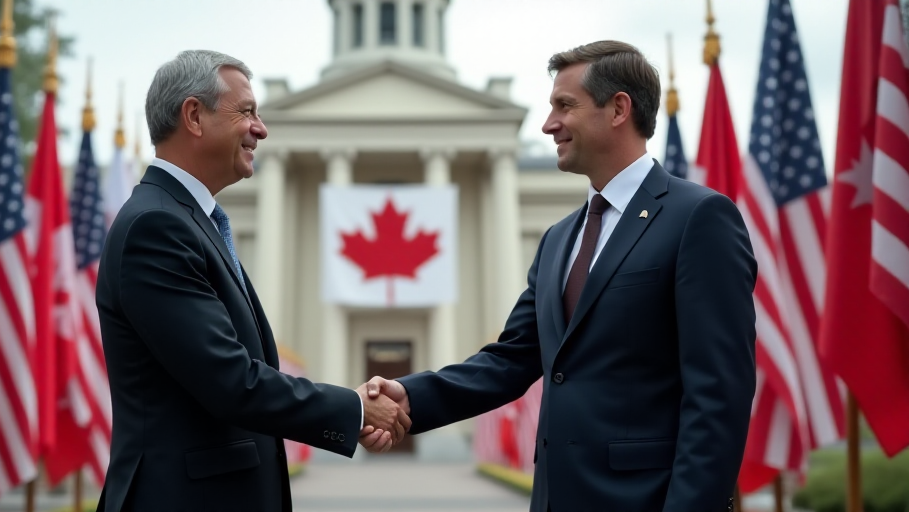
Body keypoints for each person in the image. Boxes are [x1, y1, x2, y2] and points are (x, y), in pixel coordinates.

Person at [365, 40, 756, 512]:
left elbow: (718, 395)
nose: (549, 124)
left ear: (618, 109)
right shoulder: (558, 239)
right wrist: (410, 396)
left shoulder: (699, 217)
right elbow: (512, 359)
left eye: (564, 106)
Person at [95, 50, 409, 512]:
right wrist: (355, 408)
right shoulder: (157, 227)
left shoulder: (187, 220)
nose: (261, 129)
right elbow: (230, 380)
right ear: (194, 116)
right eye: (246, 112)